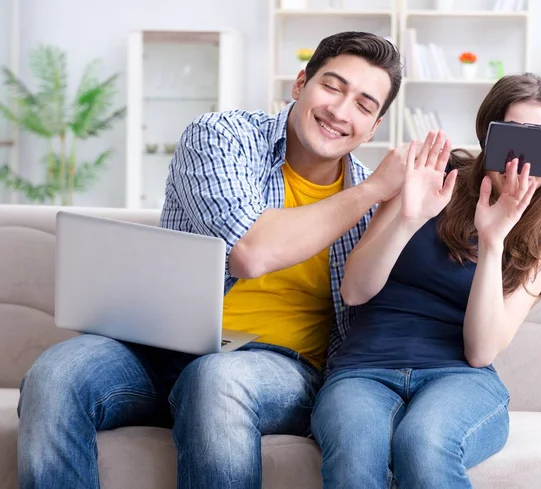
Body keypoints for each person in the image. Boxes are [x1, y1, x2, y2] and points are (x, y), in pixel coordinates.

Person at [17, 31, 410, 489]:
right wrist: (369, 193)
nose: (340, 112)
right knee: (55, 375)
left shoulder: (375, 206)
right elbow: (250, 252)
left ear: (375, 126)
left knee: (215, 378)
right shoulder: (224, 138)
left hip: (282, 370)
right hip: (161, 346)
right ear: (300, 83)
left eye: (364, 105)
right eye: (332, 86)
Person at [310, 72, 541, 489]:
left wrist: (493, 241)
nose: (525, 161)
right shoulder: (433, 174)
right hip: (364, 369)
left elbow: (481, 351)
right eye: (516, 137)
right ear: (488, 134)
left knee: (423, 442)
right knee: (355, 453)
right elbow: (354, 290)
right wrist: (408, 219)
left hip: (459, 378)